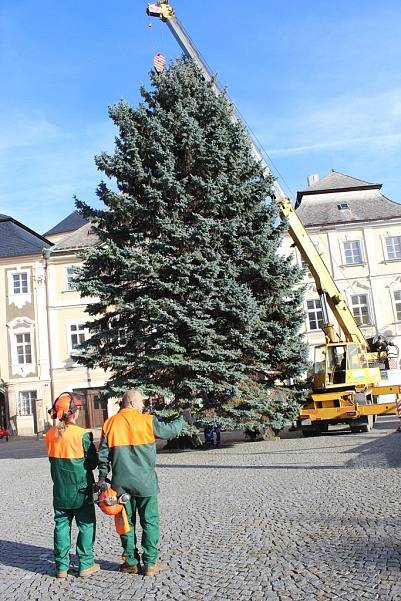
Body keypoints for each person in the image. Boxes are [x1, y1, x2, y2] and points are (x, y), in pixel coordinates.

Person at [97, 389, 186, 576]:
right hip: (146, 484)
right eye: (141, 402)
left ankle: (130, 561)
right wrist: (183, 419)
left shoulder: (110, 424)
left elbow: (103, 455)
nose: (143, 405)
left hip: (121, 485)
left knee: (125, 523)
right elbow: (170, 431)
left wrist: (103, 477)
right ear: (131, 403)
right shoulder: (147, 421)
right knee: (150, 522)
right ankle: (150, 563)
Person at [45, 392, 99, 579]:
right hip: (81, 489)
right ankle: (85, 564)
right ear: (74, 412)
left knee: (61, 525)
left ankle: (61, 567)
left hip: (60, 490)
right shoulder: (82, 434)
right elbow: (92, 462)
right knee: (86, 524)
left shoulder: (50, 435)